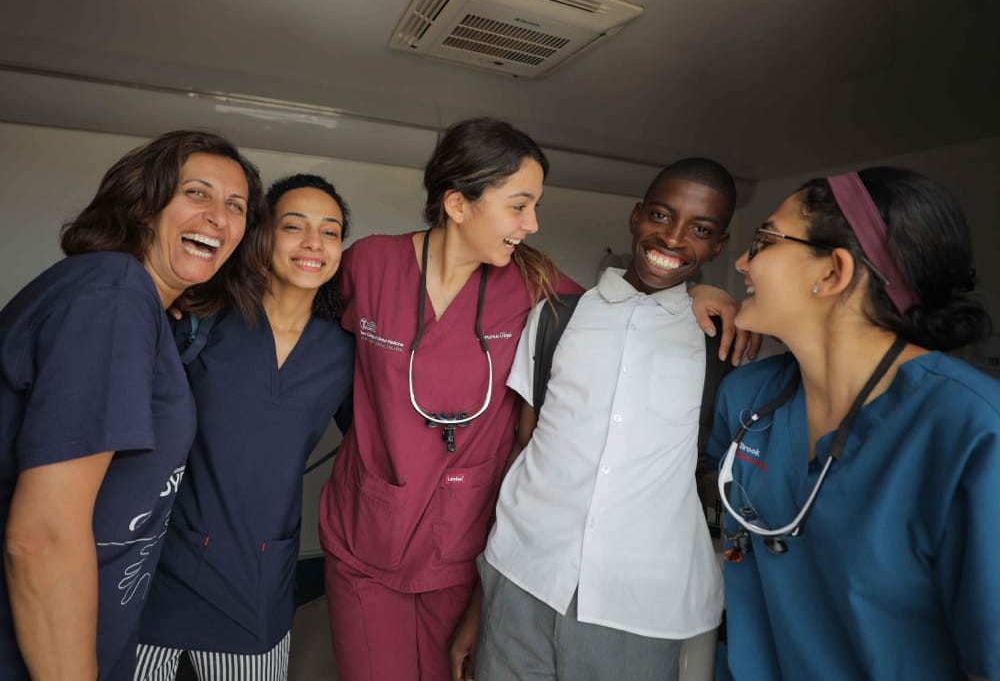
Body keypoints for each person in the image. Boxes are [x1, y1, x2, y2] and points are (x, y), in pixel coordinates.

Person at [317, 118, 750, 681]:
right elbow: (307, 337)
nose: (534, 223)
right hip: (369, 529)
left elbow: (626, 303)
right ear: (457, 203)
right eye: (520, 205)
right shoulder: (369, 263)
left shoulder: (536, 287)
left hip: (461, 541)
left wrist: (707, 292)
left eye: (534, 206)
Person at [706, 168, 999, 680]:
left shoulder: (969, 431)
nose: (741, 262)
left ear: (834, 273)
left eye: (764, 241)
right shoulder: (748, 398)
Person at [0, 130, 268, 681]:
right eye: (198, 193)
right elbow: (42, 536)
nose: (219, 216)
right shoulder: (113, 293)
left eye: (235, 206)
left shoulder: (144, 311)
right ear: (145, 205)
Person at [457, 158, 736, 681]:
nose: (673, 238)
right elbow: (523, 447)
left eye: (700, 229)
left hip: (637, 605)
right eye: (660, 215)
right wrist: (479, 603)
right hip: (521, 575)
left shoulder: (719, 342)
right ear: (635, 217)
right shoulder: (557, 317)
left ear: (718, 246)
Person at [133, 174, 355, 679]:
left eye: (331, 231)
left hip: (256, 575)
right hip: (157, 566)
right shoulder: (202, 317)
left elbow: (380, 443)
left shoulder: (342, 353)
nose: (313, 244)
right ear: (260, 235)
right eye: (293, 226)